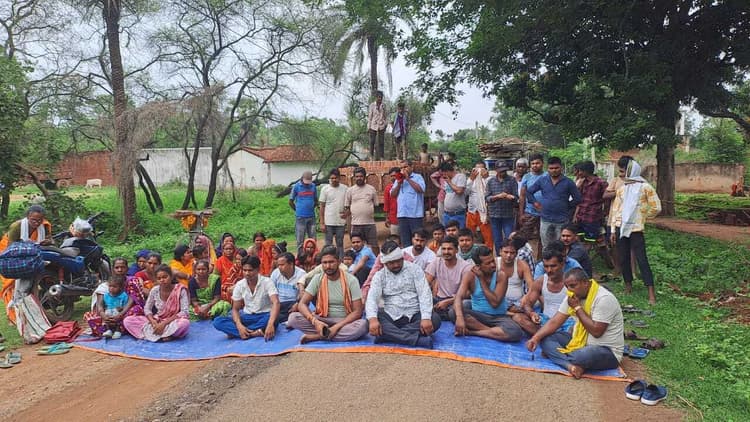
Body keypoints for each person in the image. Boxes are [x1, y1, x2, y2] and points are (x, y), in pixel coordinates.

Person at [526, 268, 625, 379]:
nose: (569, 290)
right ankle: (570, 366)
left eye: (573, 286)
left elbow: (596, 332)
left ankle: (557, 356)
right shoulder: (573, 297)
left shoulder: (604, 299)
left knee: (580, 356)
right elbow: (555, 321)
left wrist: (577, 308)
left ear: (585, 283)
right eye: (567, 286)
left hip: (605, 350)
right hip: (579, 342)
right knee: (545, 339)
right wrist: (535, 338)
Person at [366, 241, 440, 348]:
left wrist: (425, 318)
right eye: (391, 263)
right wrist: (373, 320)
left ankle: (388, 336)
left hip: (415, 314)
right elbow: (372, 299)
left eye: (398, 261)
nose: (396, 265)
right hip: (391, 316)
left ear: (402, 258)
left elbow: (424, 293)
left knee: (435, 319)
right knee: (371, 319)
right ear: (385, 263)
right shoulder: (379, 276)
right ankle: (415, 340)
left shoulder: (415, 269)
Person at [287, 246, 368, 343]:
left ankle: (319, 336)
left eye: (331, 262)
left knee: (363, 325)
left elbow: (358, 311)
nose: (328, 266)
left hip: (344, 321)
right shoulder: (318, 278)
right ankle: (326, 332)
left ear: (339, 262)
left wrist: (336, 327)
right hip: (322, 319)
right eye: (324, 263)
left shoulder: (351, 280)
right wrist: (315, 322)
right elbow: (302, 304)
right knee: (293, 318)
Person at [609, 159, 661, 305]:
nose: (621, 174)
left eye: (623, 171)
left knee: (641, 259)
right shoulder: (622, 189)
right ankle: (628, 286)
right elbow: (616, 210)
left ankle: (651, 293)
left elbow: (656, 207)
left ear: (631, 171)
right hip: (621, 228)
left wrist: (642, 217)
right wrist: (613, 230)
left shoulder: (645, 187)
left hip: (636, 229)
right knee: (623, 258)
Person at [451, 245, 524, 342]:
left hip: (498, 317)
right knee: (453, 312)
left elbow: (495, 303)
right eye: (488, 263)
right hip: (478, 316)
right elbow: (458, 297)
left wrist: (481, 279)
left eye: (493, 261)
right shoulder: (470, 275)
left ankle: (473, 332)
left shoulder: (501, 275)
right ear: (478, 266)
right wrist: (459, 318)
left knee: (515, 332)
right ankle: (493, 332)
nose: (493, 265)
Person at [0, 205, 53, 323]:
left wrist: (48, 241)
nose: (36, 223)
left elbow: (50, 240)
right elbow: (11, 248)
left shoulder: (44, 226)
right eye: (33, 220)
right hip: (9, 255)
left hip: (32, 254)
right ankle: (14, 317)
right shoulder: (17, 226)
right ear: (27, 217)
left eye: (39, 220)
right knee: (11, 285)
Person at [213, 256, 280, 340]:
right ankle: (253, 332)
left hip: (264, 315)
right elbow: (235, 309)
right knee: (218, 321)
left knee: (274, 319)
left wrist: (270, 324)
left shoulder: (267, 282)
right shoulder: (240, 285)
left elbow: (276, 302)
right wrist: (239, 326)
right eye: (244, 270)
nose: (247, 273)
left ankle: (240, 333)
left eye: (250, 270)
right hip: (247, 317)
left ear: (258, 269)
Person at [513, 249, 575, 336]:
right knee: (518, 318)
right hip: (546, 321)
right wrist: (531, 314)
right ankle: (548, 336)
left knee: (575, 329)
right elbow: (527, 304)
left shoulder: (571, 282)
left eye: (553, 266)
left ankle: (544, 336)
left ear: (562, 264)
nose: (549, 270)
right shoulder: (540, 281)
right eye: (546, 266)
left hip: (567, 322)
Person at [526, 156, 582, 250]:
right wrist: (535, 203)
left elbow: (578, 198)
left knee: (561, 246)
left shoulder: (568, 182)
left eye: (556, 168)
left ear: (561, 168)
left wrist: (566, 206)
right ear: (547, 169)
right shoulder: (542, 180)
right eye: (551, 168)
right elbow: (529, 192)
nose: (554, 170)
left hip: (562, 220)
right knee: (546, 246)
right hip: (545, 219)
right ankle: (546, 260)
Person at [123, 265, 190, 342]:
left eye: (165, 277)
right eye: (159, 278)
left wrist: (164, 324)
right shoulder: (155, 290)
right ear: (156, 280)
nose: (162, 280)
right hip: (157, 320)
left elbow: (184, 312)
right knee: (128, 320)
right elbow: (147, 308)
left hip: (173, 321)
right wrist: (153, 322)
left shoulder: (180, 290)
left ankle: (156, 334)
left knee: (184, 323)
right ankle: (166, 334)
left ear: (171, 277)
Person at [425, 236, 473, 320]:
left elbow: (468, 293)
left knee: (462, 306)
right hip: (439, 300)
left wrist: (448, 302)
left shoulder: (466, 267)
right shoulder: (436, 262)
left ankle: (442, 315)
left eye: (449, 249)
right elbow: (424, 284)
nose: (446, 252)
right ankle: (440, 314)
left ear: (456, 250)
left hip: (456, 300)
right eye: (443, 249)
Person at [573, 161, 608, 250]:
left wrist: (604, 213)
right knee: (581, 240)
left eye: (580, 171)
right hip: (581, 216)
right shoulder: (582, 182)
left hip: (593, 217)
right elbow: (579, 200)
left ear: (585, 171)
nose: (578, 173)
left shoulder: (601, 183)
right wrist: (576, 215)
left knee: (592, 242)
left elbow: (607, 199)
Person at [343, 167, 379, 255]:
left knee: (374, 245)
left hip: (370, 223)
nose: (359, 178)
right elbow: (347, 207)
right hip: (356, 224)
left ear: (365, 177)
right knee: (356, 247)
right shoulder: (350, 190)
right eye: (357, 176)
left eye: (361, 176)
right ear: (354, 177)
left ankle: (376, 262)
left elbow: (375, 204)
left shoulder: (371, 189)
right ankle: (358, 262)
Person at [485, 161, 518, 253]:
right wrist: (497, 197)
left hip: (508, 215)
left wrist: (510, 197)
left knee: (509, 238)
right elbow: (487, 198)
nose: (503, 173)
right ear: (496, 170)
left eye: (504, 171)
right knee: (497, 239)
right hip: (494, 215)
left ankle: (509, 255)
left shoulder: (512, 180)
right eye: (501, 171)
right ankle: (499, 257)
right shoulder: (491, 181)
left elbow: (516, 197)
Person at [391, 159, 426, 247]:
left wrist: (408, 179)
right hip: (402, 215)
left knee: (417, 239)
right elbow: (393, 195)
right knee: (405, 241)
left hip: (415, 215)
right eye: (401, 168)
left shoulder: (418, 177)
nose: (403, 169)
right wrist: (399, 183)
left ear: (411, 167)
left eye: (405, 167)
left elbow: (421, 190)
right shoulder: (398, 179)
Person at [518, 154, 546, 259]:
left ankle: (540, 260)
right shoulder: (527, 177)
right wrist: (521, 213)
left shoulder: (547, 176)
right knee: (523, 237)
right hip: (529, 212)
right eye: (533, 163)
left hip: (544, 213)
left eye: (537, 163)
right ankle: (521, 259)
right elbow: (522, 196)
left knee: (543, 238)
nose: (535, 165)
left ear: (542, 163)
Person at [496, 239, 535, 311]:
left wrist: (526, 296)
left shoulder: (522, 265)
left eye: (512, 253)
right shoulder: (495, 263)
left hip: (518, 302)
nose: (508, 255)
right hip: (498, 301)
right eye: (506, 252)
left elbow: (532, 286)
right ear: (500, 252)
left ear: (516, 254)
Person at [465, 161, 494, 251]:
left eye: (481, 169)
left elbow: (491, 191)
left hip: (484, 212)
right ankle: (469, 253)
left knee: (488, 236)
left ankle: (489, 253)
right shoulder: (470, 180)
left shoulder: (490, 179)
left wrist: (485, 178)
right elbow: (465, 192)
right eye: (476, 169)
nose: (478, 171)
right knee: (469, 235)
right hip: (472, 211)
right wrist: (471, 179)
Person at [270, 252, 306, 323]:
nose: (279, 267)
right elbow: (271, 291)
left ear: (291, 264)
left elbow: (304, 294)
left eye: (282, 265)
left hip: (294, 303)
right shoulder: (275, 273)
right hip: (278, 303)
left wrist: (297, 304)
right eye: (278, 265)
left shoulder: (302, 274)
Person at [319, 169, 347, 257]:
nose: (334, 180)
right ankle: (328, 260)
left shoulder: (345, 188)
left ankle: (341, 261)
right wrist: (322, 223)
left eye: (336, 178)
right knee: (328, 244)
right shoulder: (325, 189)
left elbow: (349, 204)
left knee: (340, 243)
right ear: (329, 178)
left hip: (340, 221)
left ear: (339, 178)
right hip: (328, 222)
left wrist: (347, 214)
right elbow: (322, 206)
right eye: (332, 178)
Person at [290, 170, 317, 253]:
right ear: (302, 178)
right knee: (300, 239)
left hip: (311, 216)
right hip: (300, 217)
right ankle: (300, 256)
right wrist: (297, 210)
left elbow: (316, 200)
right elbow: (290, 201)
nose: (307, 184)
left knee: (313, 239)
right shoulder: (296, 186)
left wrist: (311, 207)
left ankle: (313, 256)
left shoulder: (313, 186)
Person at [439, 161, 468, 228]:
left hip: (457, 214)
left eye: (443, 174)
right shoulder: (447, 179)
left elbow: (459, 191)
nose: (443, 176)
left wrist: (449, 182)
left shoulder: (460, 176)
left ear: (447, 171)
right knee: (448, 233)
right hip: (447, 213)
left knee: (459, 233)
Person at [368, 90, 388, 160]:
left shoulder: (383, 105)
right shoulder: (372, 105)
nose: (380, 98)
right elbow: (370, 116)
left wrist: (385, 124)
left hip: (381, 125)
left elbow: (385, 116)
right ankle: (371, 156)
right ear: (376, 97)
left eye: (381, 97)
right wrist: (369, 127)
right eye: (379, 97)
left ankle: (382, 157)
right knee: (372, 141)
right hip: (373, 125)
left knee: (381, 142)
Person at [383, 167, 401, 237]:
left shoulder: (404, 186)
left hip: (405, 218)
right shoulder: (388, 188)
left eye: (395, 175)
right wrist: (387, 218)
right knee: (394, 238)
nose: (393, 178)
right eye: (391, 176)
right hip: (394, 219)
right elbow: (386, 204)